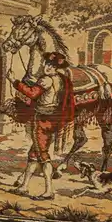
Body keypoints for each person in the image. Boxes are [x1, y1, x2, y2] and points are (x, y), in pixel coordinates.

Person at [11, 51, 75, 199]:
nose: (47, 67)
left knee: (43, 156)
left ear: (56, 68)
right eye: (47, 63)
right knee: (34, 154)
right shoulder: (61, 79)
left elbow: (32, 93)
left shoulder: (46, 80)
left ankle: (49, 191)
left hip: (42, 120)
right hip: (53, 119)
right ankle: (24, 186)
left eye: (51, 65)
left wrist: (14, 81)